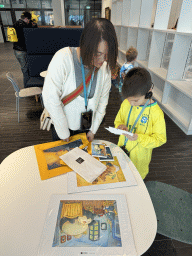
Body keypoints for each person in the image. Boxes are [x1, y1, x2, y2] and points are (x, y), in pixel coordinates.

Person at [42, 18, 118, 142]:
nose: (103, 59)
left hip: (86, 127)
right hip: (62, 127)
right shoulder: (63, 59)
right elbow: (51, 99)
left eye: (107, 54)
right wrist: (63, 132)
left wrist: (93, 130)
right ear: (85, 45)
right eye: (98, 53)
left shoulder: (105, 69)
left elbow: (102, 103)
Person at [114, 67, 167, 179]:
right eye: (129, 99)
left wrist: (139, 138)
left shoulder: (156, 113)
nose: (131, 104)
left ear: (148, 93)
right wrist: (119, 126)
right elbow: (118, 120)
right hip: (121, 152)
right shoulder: (126, 103)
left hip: (139, 162)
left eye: (136, 101)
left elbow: (160, 139)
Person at [13, 11, 32, 88]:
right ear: (26, 19)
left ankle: (27, 85)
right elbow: (28, 36)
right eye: (29, 20)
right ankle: (27, 87)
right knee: (25, 70)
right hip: (22, 50)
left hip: (16, 50)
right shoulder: (23, 26)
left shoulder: (16, 24)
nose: (29, 22)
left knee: (24, 69)